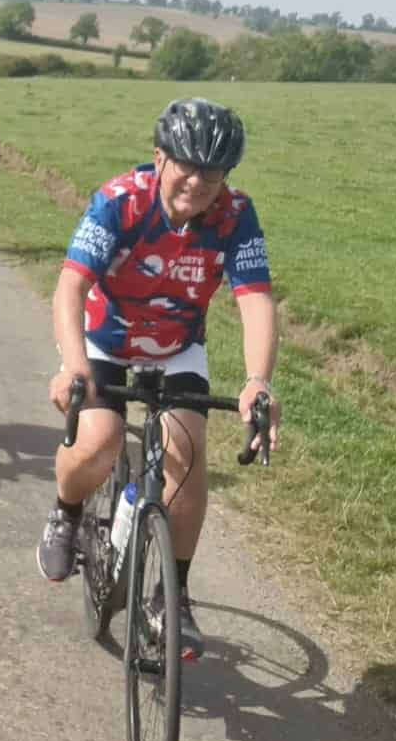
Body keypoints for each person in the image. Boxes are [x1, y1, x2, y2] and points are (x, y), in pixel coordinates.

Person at [34, 98, 282, 662]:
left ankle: (175, 595)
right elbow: (71, 288)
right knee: (98, 440)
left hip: (176, 348)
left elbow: (256, 300)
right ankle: (67, 513)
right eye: (186, 167)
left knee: (187, 455)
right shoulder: (120, 203)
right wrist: (74, 366)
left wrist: (257, 381)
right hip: (104, 340)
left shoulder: (236, 215)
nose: (197, 182)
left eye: (213, 173)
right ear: (159, 158)